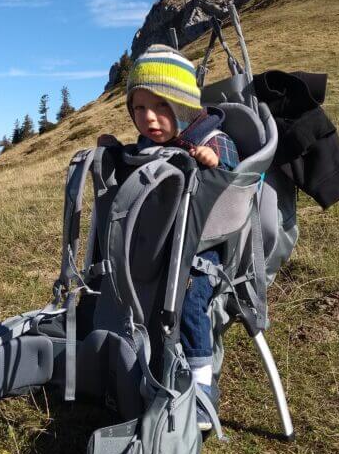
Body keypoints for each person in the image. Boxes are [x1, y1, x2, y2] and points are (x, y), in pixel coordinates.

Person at [98, 44, 239, 431]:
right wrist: (116, 152)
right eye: (139, 109)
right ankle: (136, 358)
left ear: (184, 107)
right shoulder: (155, 142)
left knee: (191, 298)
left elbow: (232, 172)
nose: (149, 119)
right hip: (163, 239)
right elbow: (141, 165)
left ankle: (202, 385)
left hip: (203, 250)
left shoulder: (212, 136)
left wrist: (214, 161)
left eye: (160, 107)